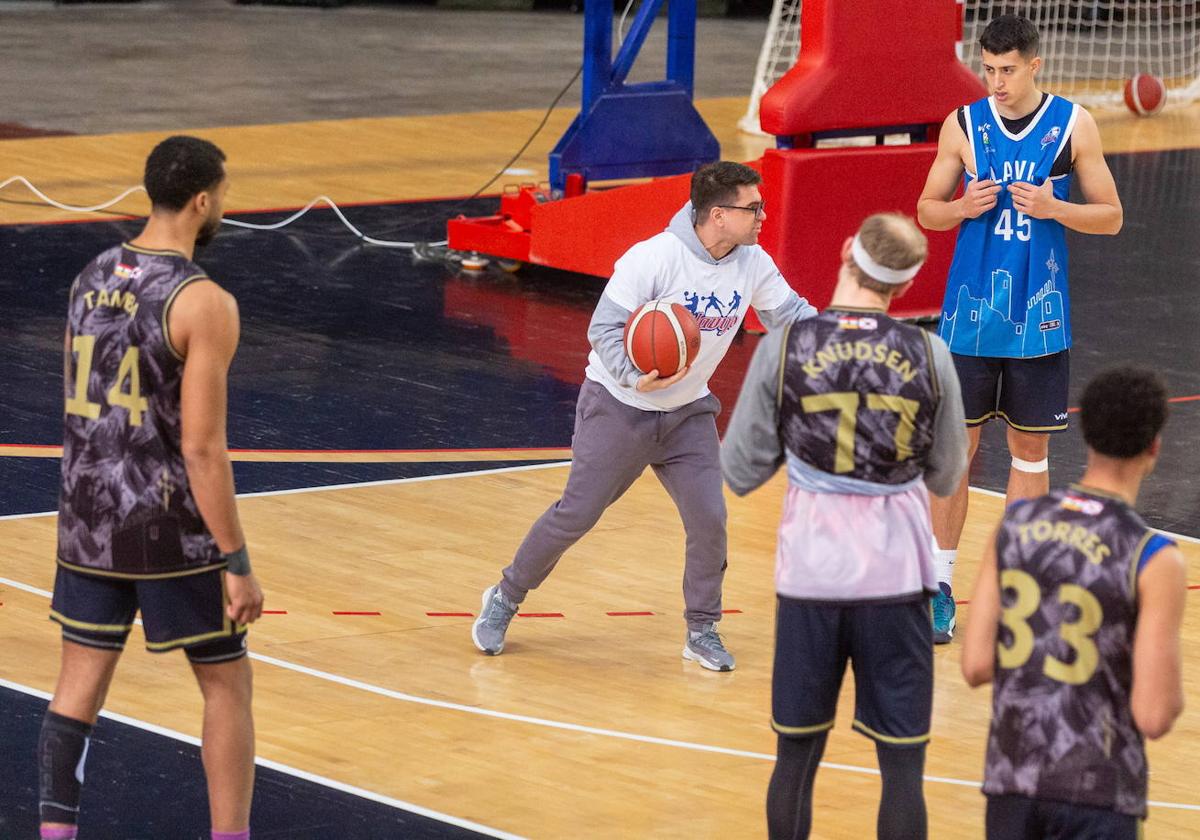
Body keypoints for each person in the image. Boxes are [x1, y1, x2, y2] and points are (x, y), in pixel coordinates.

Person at [472, 160, 817, 671]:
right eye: (753, 208)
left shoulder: (753, 263)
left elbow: (790, 316)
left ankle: (702, 629)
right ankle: (505, 596)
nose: (763, 215)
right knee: (578, 514)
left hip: (687, 415)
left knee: (710, 520)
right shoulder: (654, 258)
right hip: (620, 407)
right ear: (718, 215)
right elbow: (604, 329)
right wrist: (634, 376)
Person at [39, 136, 263, 840]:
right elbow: (201, 447)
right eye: (222, 194)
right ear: (202, 200)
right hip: (166, 523)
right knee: (226, 682)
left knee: (78, 686)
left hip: (85, 518)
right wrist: (237, 560)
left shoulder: (89, 274)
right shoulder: (203, 302)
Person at [721, 213, 968, 838]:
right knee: (903, 769)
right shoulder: (930, 353)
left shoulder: (786, 347)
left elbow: (741, 470)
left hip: (812, 572)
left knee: (795, 759)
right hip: (898, 577)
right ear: (904, 287)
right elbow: (945, 477)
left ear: (845, 252)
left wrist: (799, 445)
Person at [917, 13, 1123, 643]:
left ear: (1035, 65)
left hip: (1039, 320)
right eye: (988, 69)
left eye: (1007, 70)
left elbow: (1111, 216)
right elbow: (927, 209)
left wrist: (1058, 207)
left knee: (1030, 458)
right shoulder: (963, 124)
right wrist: (959, 208)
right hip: (970, 321)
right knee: (958, 454)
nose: (997, 82)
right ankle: (937, 588)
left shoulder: (1074, 124)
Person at [961, 366, 1185, 839]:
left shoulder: (1015, 525)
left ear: (1085, 438)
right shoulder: (1153, 558)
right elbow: (1153, 714)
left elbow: (976, 664)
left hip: (1013, 782)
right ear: (1154, 448)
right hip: (1101, 792)